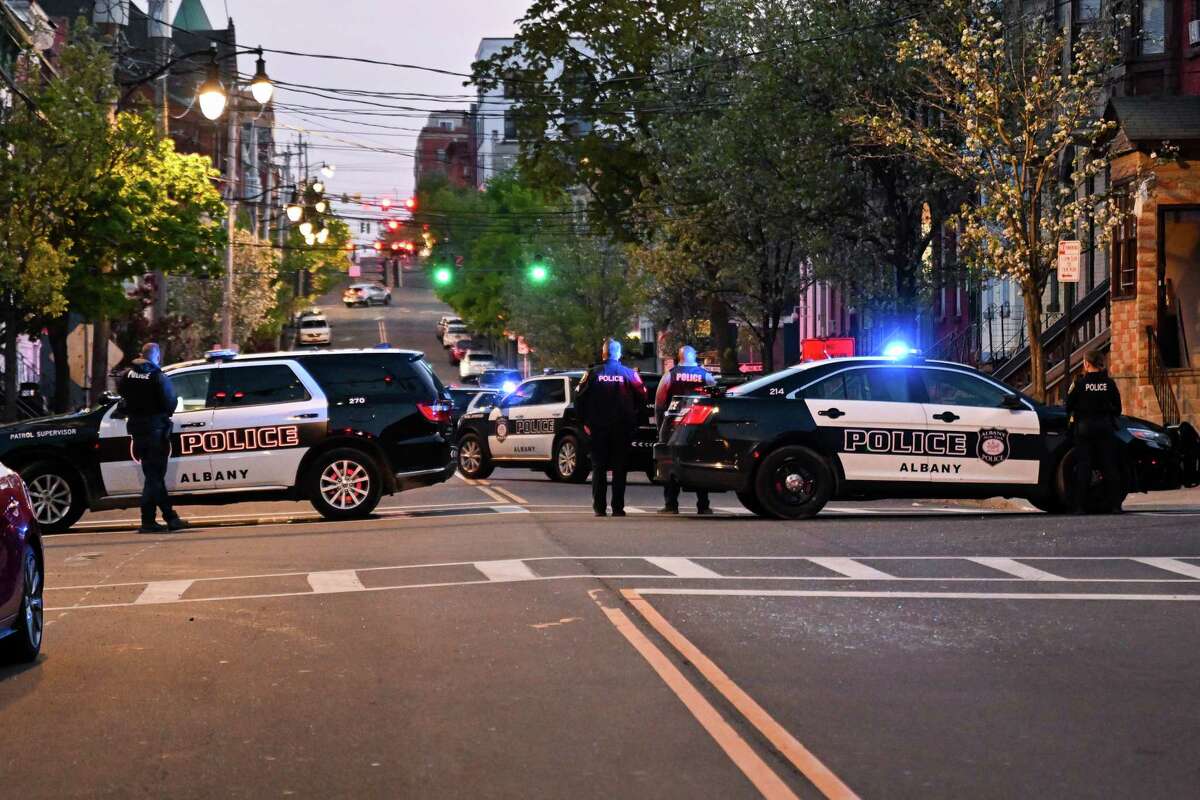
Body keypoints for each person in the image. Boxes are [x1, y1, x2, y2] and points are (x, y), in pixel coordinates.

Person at [119, 343, 188, 533]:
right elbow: (170, 403)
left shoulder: (127, 375)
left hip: (136, 430)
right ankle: (168, 518)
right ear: (156, 357)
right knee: (155, 476)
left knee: (151, 475)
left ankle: (149, 520)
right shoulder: (158, 377)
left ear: (142, 354)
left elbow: (123, 401)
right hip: (156, 430)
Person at [575, 338, 647, 517]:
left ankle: (599, 508)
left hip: (597, 428)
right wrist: (634, 418)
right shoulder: (629, 374)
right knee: (619, 468)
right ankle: (618, 507)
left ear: (603, 354)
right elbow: (643, 398)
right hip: (622, 428)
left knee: (598, 467)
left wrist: (584, 422)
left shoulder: (592, 373)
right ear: (619, 354)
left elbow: (578, 399)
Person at [655, 345, 716, 515]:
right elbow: (715, 399)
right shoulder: (706, 375)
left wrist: (660, 429)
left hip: (674, 427)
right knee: (699, 464)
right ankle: (703, 505)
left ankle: (671, 504)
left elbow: (660, 404)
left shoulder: (670, 375)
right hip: (700, 427)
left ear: (679, 356)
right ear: (694, 356)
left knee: (671, 463)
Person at [1065, 349, 1124, 514]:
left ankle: (1079, 506)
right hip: (1105, 428)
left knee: (1084, 466)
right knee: (1109, 466)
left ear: (1086, 363)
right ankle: (1115, 505)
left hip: (1084, 429)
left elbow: (1068, 406)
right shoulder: (1109, 384)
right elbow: (1118, 409)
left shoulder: (1079, 384)